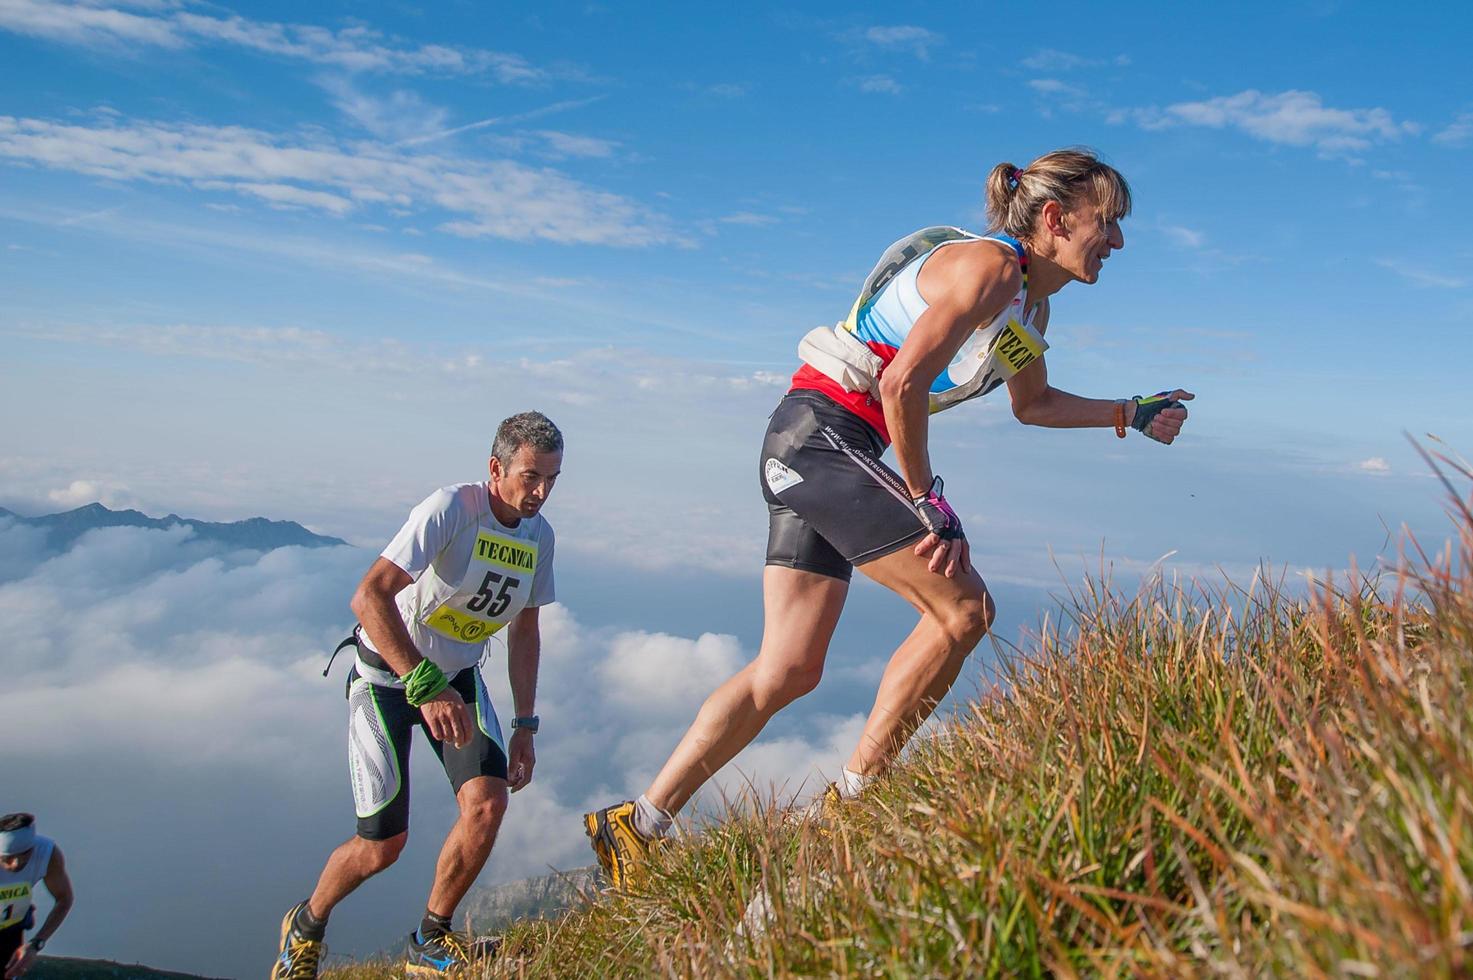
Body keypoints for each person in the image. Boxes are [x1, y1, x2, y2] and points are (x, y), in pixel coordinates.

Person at [584, 148, 1193, 888]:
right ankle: (851, 803)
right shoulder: (991, 268)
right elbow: (900, 378)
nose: (1119, 243)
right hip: (824, 435)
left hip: (814, 443)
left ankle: (635, 825)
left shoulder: (1029, 302)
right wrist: (924, 497)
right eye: (1109, 223)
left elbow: (1032, 404)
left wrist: (1129, 412)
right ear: (1056, 220)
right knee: (962, 611)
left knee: (789, 669)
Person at [272, 412, 563, 979]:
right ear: (496, 468)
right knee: (382, 845)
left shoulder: (539, 537)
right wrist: (421, 683)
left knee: (487, 804)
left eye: (552, 478)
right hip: (386, 678)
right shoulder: (451, 509)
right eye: (531, 476)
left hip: (456, 677)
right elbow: (369, 597)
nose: (541, 492)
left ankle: (432, 938)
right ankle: (305, 926)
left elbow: (525, 629)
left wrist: (526, 723)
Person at [0, 813, 74, 980]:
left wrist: (35, 944)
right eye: (7, 858)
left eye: (25, 854)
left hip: (10, 929)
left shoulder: (46, 852)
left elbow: (64, 898)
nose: (17, 864)